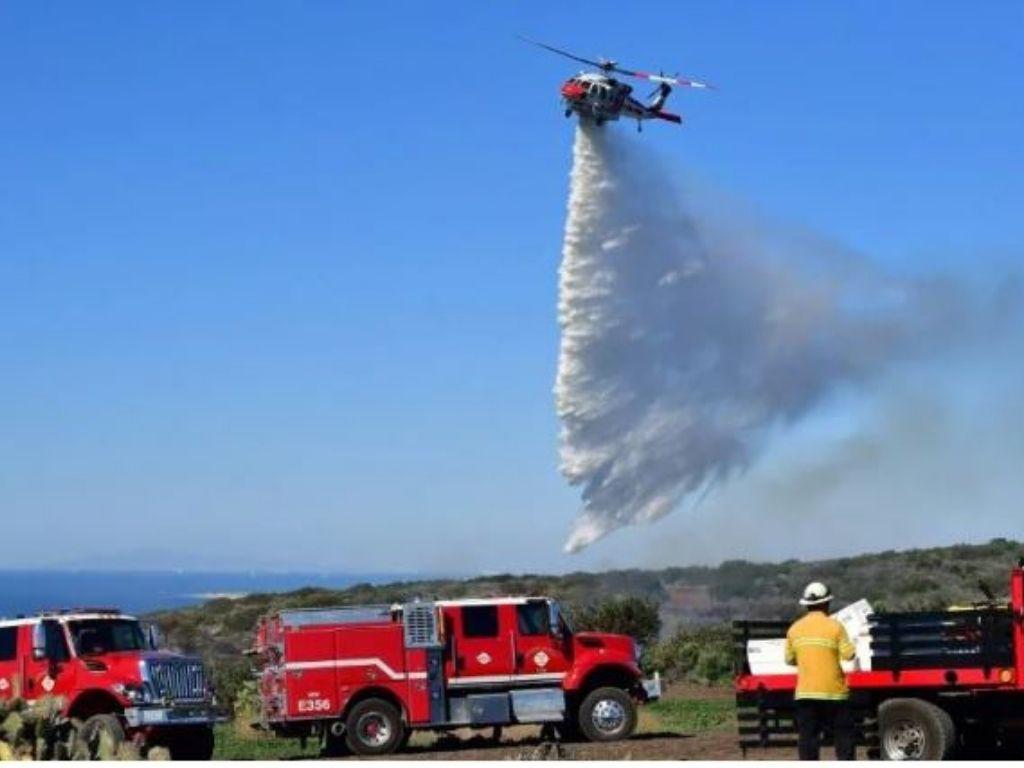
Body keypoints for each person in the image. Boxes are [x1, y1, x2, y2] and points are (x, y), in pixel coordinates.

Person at [785, 582, 857, 761]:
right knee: (844, 739)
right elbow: (849, 655)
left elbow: (789, 659)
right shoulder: (835, 627)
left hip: (806, 694)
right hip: (835, 695)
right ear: (826, 603)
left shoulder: (794, 629)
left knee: (808, 740)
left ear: (806, 605)